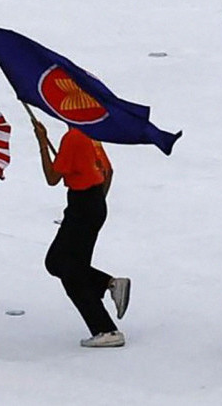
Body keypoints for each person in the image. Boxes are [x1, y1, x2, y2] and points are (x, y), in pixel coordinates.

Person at [32, 120, 130, 348]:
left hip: (82, 206)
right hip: (91, 203)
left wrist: (42, 142)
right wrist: (96, 202)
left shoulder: (73, 137)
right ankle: (110, 283)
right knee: (56, 262)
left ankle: (105, 329)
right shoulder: (90, 134)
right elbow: (109, 171)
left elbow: (51, 177)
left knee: (71, 271)